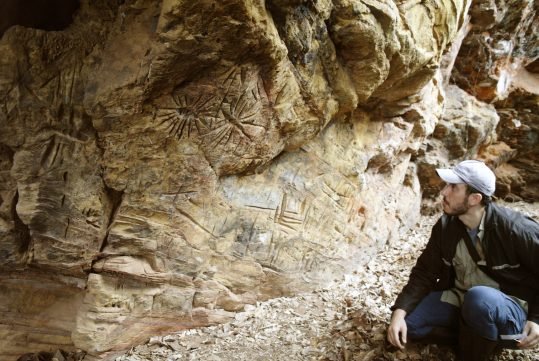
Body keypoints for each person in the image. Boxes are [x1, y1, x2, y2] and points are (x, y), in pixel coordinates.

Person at [386, 160, 539, 361]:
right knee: (408, 325)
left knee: (479, 299)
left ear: (475, 198)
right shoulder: (446, 227)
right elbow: (425, 272)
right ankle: (478, 336)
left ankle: (479, 345)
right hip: (461, 298)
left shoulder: (516, 230)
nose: (443, 192)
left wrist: (536, 319)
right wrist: (399, 312)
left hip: (509, 309)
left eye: (453, 187)